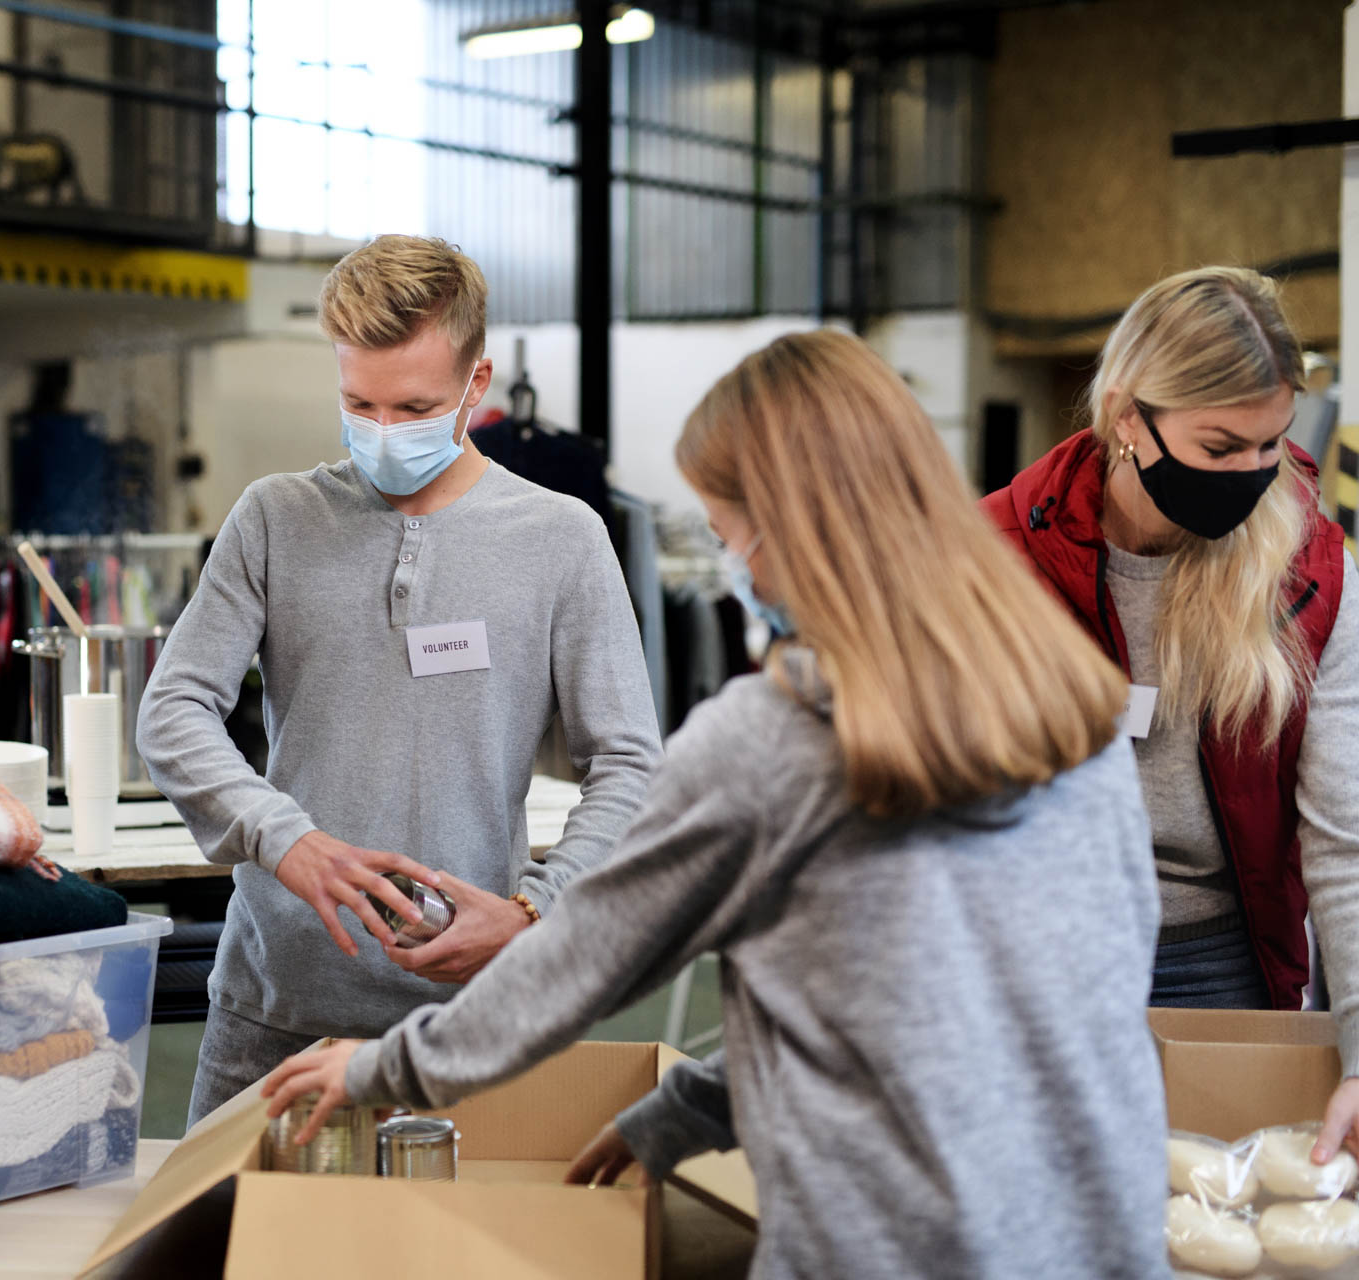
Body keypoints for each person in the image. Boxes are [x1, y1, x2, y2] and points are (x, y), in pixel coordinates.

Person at [263, 329, 1169, 1279]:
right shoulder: (1076, 708)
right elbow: (936, 1002)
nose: (731, 564)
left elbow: (583, 958)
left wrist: (378, 1068)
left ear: (787, 531)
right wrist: (692, 1109)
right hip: (1101, 1234)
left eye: (726, 533)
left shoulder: (778, 739)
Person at [137, 235, 661, 1126]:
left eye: (414, 407)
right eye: (359, 403)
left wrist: (537, 911)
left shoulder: (562, 538)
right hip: (274, 1006)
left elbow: (631, 767)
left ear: (475, 386)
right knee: (220, 1254)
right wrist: (282, 839)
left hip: (469, 1017)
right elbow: (174, 709)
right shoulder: (275, 518)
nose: (383, 432)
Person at [981, 267, 1359, 1162]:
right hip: (1038, 965)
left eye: (1271, 445)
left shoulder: (1308, 567)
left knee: (1218, 1215)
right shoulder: (999, 557)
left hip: (1222, 962)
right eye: (1221, 446)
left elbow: (1344, 833)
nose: (1253, 475)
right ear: (1127, 417)